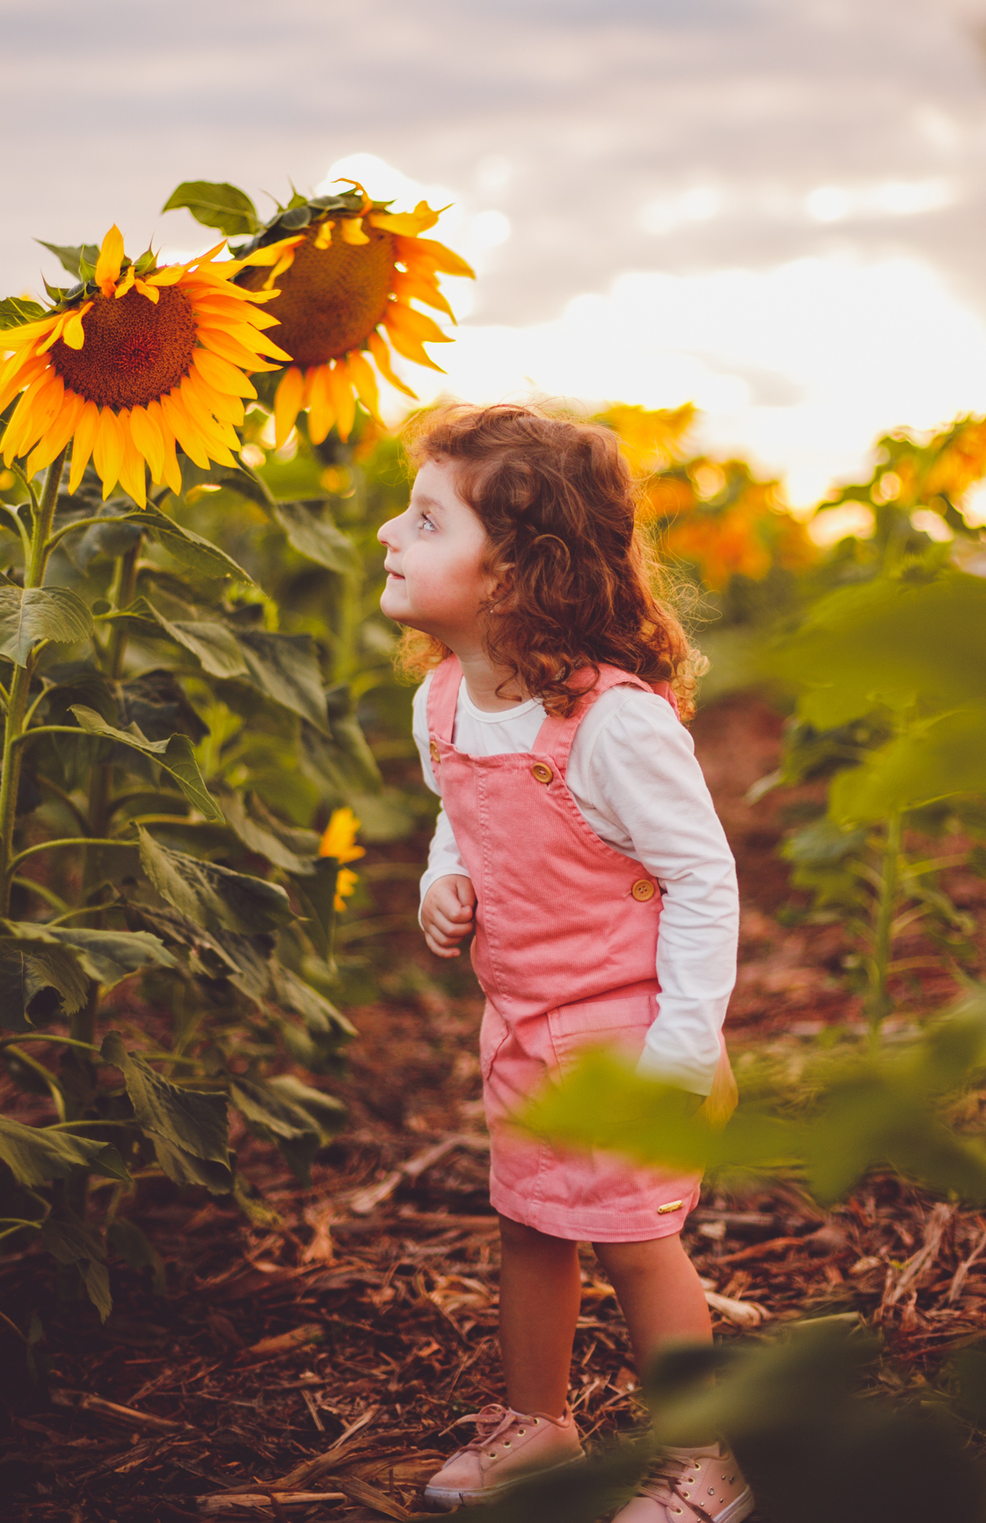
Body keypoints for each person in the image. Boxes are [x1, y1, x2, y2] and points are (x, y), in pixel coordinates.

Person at [377, 404, 751, 1522]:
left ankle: (704, 1460)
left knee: (638, 1245)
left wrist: (683, 1052)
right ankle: (539, 1422)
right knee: (532, 1222)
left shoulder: (611, 725)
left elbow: (703, 879)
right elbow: (461, 818)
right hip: (524, 1026)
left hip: (630, 1037)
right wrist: (442, 880)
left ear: (513, 574)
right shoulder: (440, 702)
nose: (392, 534)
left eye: (427, 519)